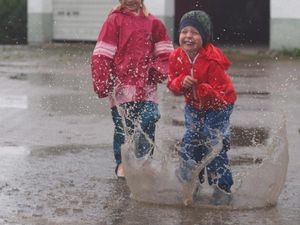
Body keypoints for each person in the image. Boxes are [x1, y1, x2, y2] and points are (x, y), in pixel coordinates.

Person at [91, 0, 173, 179]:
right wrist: (102, 82)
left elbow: (165, 54)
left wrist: (157, 71)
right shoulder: (114, 21)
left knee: (149, 120)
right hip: (121, 89)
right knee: (123, 127)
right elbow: (102, 54)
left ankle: (144, 162)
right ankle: (122, 163)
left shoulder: (154, 23)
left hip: (147, 89)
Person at [167, 10, 237, 203]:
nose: (188, 36)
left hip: (219, 107)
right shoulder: (176, 57)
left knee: (213, 143)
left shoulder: (212, 59)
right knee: (191, 140)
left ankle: (222, 187)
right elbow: (172, 85)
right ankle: (190, 181)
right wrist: (181, 82)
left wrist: (204, 89)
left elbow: (223, 95)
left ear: (204, 37)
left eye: (194, 32)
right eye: (184, 31)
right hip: (194, 107)